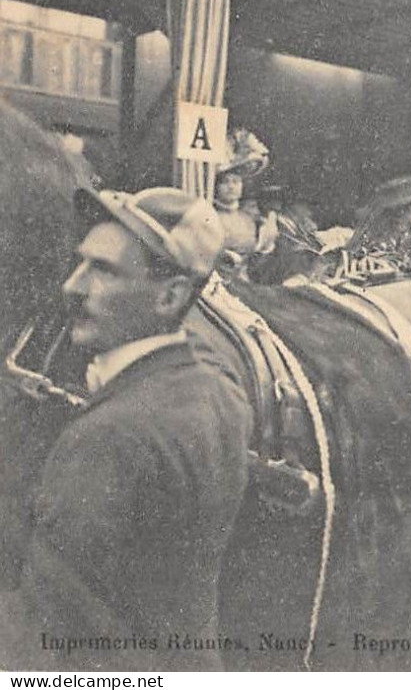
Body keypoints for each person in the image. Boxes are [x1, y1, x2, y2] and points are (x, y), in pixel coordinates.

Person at [7, 187, 250, 670]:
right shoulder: (218, 393)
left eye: (104, 271)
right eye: (80, 264)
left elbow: (46, 630)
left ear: (169, 296)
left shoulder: (111, 435)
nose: (73, 287)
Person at [214, 126, 278, 276]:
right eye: (225, 182)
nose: (231, 187)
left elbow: (256, 265)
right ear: (216, 186)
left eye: (236, 182)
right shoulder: (210, 216)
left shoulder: (249, 218)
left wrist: (266, 244)